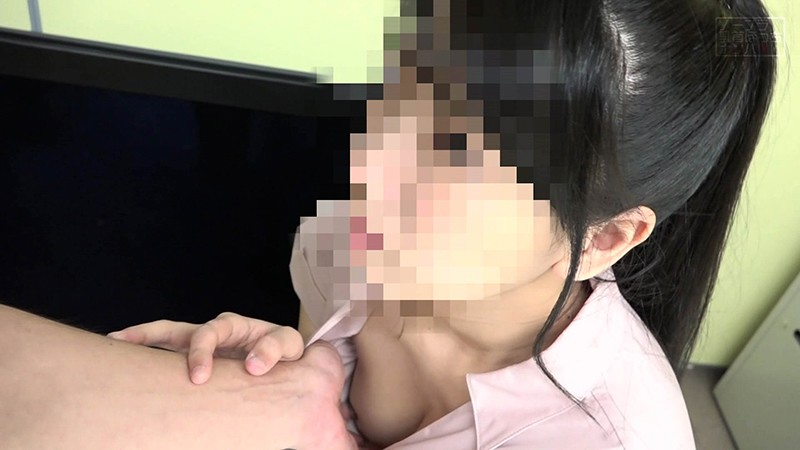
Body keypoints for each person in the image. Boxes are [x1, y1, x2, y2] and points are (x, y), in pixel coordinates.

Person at [1, 0, 777, 448]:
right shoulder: (353, 242)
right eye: (399, 91)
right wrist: (294, 362)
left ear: (603, 239)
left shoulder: (598, 436)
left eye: (457, 150)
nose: (370, 159)